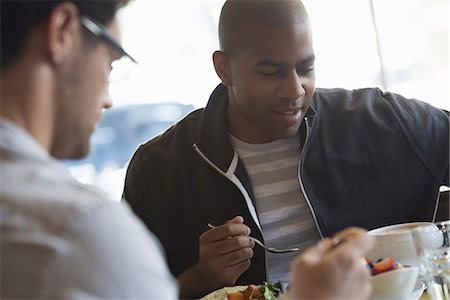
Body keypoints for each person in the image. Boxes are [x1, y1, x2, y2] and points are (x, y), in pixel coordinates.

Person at [0, 1, 375, 300]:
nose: (108, 98)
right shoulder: (82, 231)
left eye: (305, 67)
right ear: (63, 31)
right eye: (111, 62)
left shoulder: (372, 119)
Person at [122, 0, 450, 298]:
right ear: (224, 69)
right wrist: (201, 277)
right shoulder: (158, 170)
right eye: (270, 72)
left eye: (305, 68)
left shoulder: (378, 122)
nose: (295, 89)